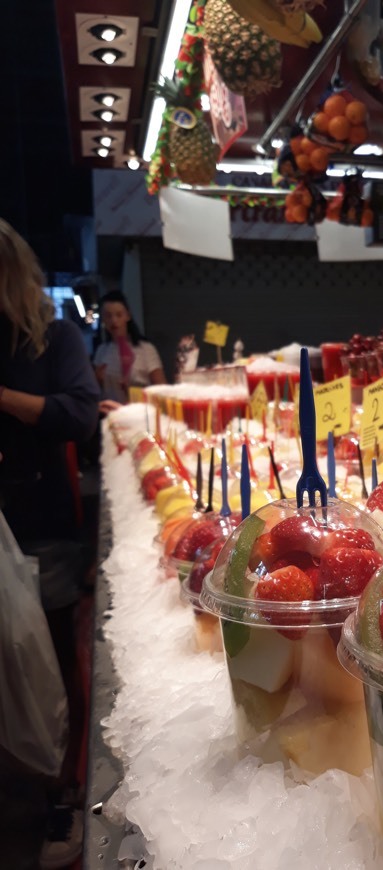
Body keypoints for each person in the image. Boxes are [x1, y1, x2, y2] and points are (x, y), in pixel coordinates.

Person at [0, 218, 100, 869]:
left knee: (57, 658)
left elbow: (79, 411)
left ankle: (66, 787)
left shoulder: (52, 336)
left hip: (40, 525)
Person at [94, 290, 165, 408]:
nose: (114, 321)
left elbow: (162, 389)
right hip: (112, 416)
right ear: (103, 319)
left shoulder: (146, 349)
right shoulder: (102, 351)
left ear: (128, 316)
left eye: (119, 315)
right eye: (108, 316)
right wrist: (97, 379)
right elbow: (95, 390)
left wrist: (134, 392)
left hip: (141, 414)